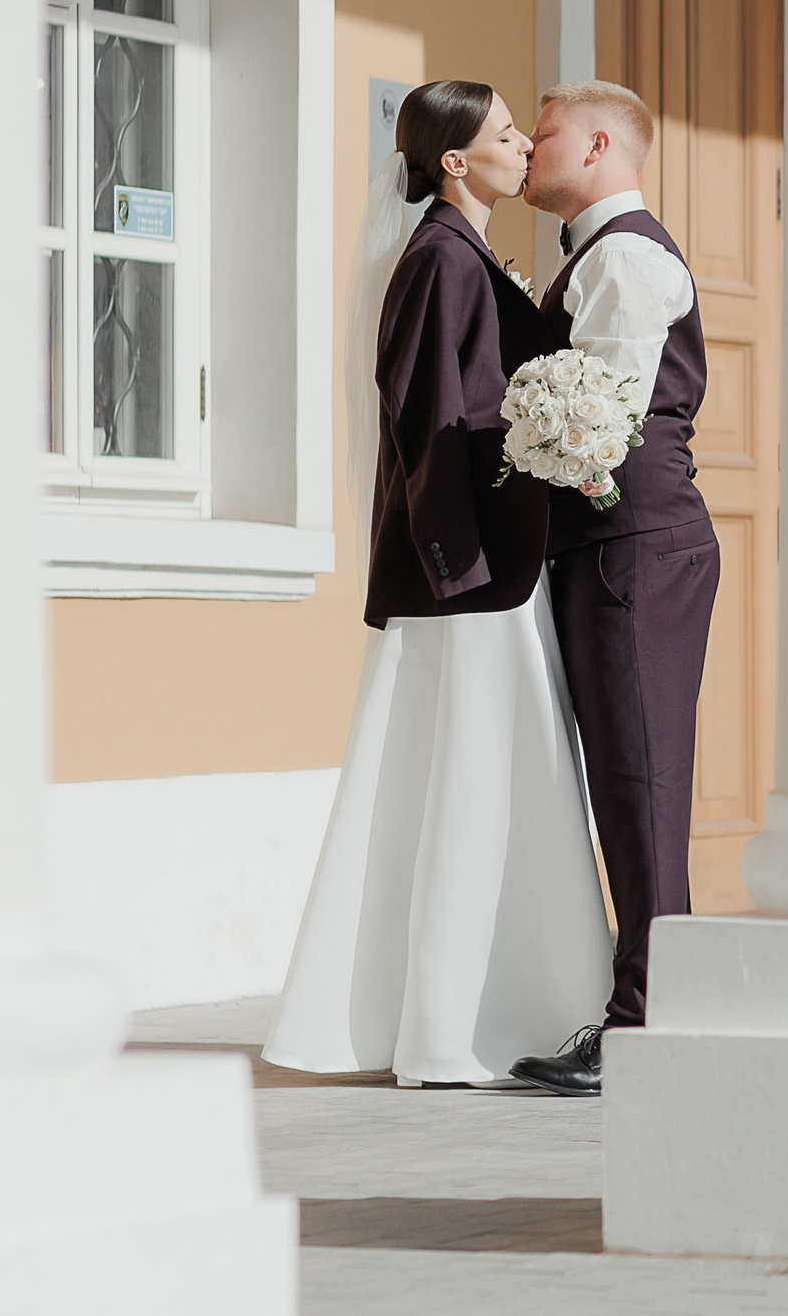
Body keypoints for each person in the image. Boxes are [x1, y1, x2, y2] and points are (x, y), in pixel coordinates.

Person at [261, 81, 611, 1086]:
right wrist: (459, 566)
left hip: (484, 564)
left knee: (490, 773)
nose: (520, 147)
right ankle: (450, 1029)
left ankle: (462, 1016)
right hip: (467, 573)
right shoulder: (437, 262)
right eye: (504, 135)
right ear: (455, 161)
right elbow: (422, 419)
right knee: (476, 774)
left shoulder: (459, 255)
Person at [506, 80, 718, 1098]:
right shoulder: (600, 257)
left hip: (636, 542)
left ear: (596, 146)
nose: (527, 150)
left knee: (641, 787)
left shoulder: (627, 259)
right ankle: (647, 1006)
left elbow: (603, 418)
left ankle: (647, 1021)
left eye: (540, 135)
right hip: (609, 544)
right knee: (625, 787)